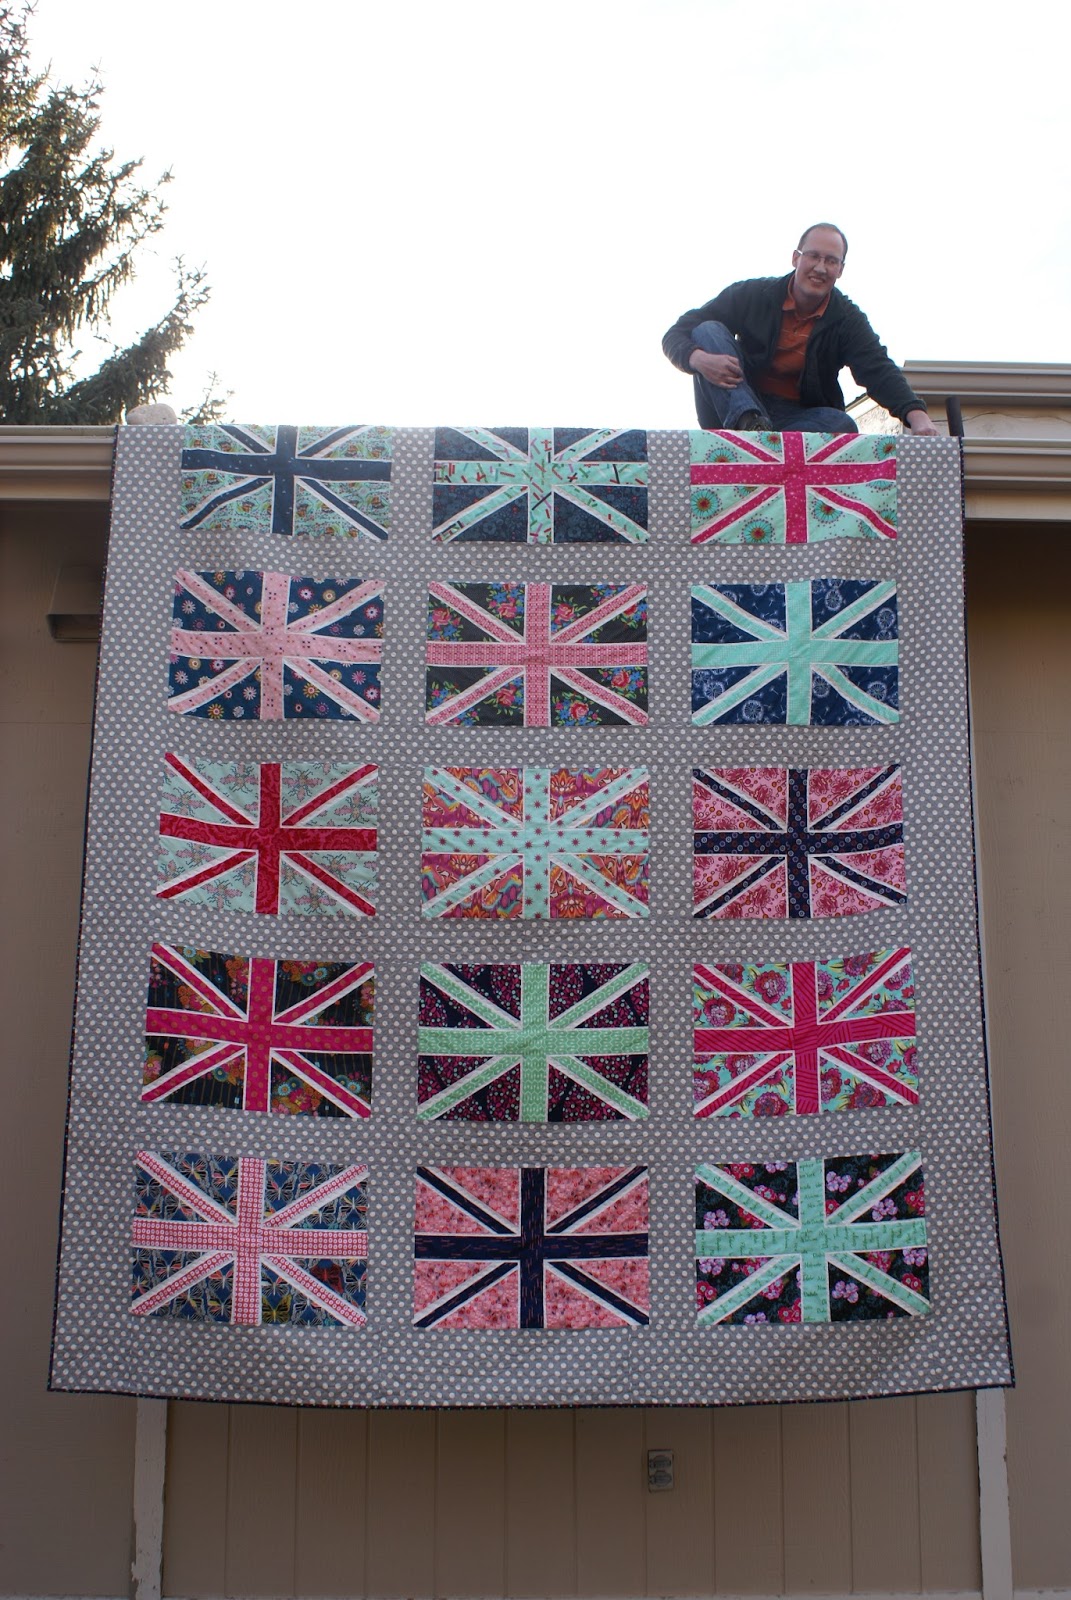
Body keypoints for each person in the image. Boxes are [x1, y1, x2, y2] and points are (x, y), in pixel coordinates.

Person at [662, 223, 939, 436]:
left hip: (795, 419)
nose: (820, 267)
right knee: (707, 330)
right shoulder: (753, 294)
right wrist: (697, 359)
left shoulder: (846, 319)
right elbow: (677, 332)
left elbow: (877, 367)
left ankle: (766, 441)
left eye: (831, 261)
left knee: (841, 423)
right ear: (796, 258)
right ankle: (748, 426)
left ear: (841, 269)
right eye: (813, 256)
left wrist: (917, 416)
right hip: (735, 402)